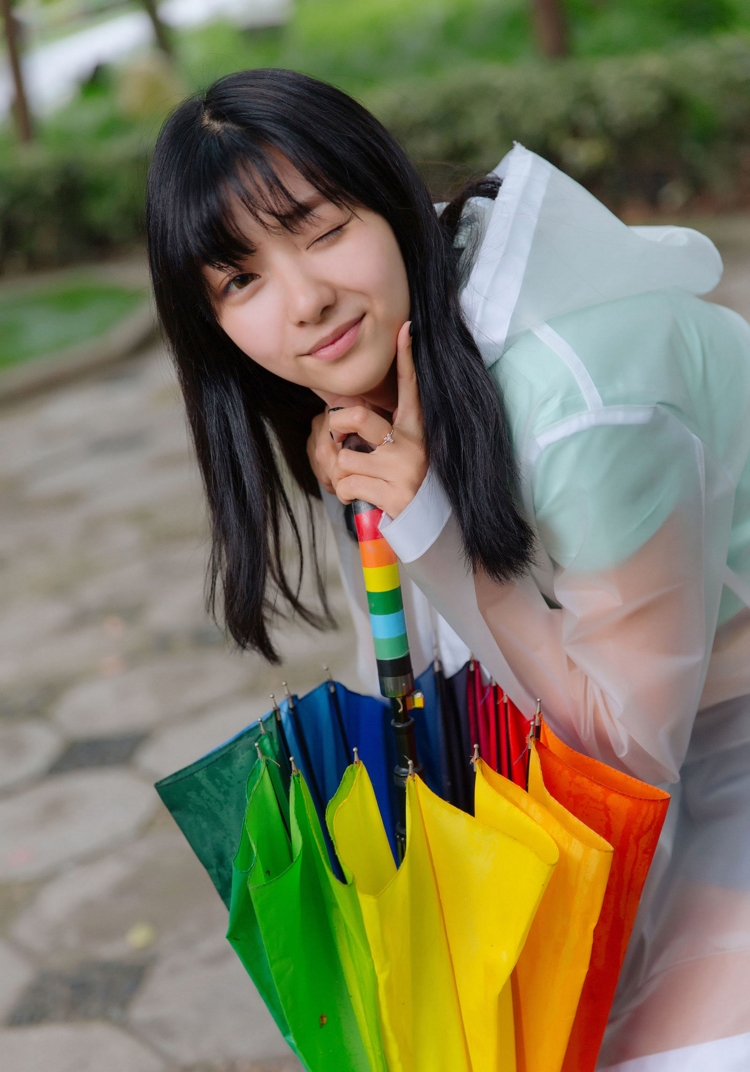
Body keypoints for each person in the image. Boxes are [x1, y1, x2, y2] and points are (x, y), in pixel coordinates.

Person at [147, 67, 750, 1071]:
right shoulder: (374, 376)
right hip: (628, 758)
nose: (304, 301)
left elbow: (628, 759)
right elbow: (420, 683)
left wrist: (430, 529)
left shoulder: (584, 398)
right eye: (240, 280)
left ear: (389, 199)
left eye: (322, 227)